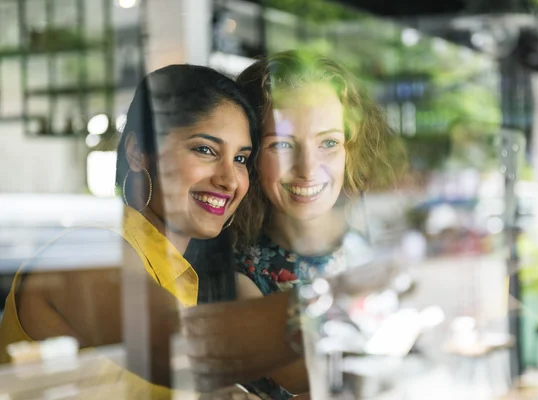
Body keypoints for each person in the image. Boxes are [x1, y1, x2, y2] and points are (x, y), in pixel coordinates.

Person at [0, 64, 262, 398]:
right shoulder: (91, 250)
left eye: (241, 159)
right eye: (205, 149)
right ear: (138, 153)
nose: (229, 179)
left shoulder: (181, 275)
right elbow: (178, 347)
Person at [232, 50, 405, 399]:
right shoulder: (237, 275)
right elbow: (314, 381)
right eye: (281, 144)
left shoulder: (380, 246)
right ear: (249, 155)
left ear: (350, 150)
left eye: (328, 142)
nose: (308, 169)